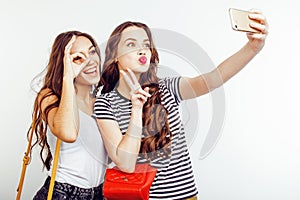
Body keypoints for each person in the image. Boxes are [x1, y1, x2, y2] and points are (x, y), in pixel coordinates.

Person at [94, 10, 268, 199]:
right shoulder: (105, 103)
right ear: (115, 55)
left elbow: (212, 79)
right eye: (131, 44)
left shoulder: (168, 87)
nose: (142, 50)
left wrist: (253, 48)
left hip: (184, 196)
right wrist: (136, 109)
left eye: (146, 44)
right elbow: (125, 163)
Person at [30, 31, 107, 199]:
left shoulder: (102, 104)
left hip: (99, 193)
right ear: (64, 63)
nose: (90, 60)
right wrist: (68, 77)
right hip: (64, 193)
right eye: (78, 57)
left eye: (92, 51)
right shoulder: (50, 97)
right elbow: (69, 133)